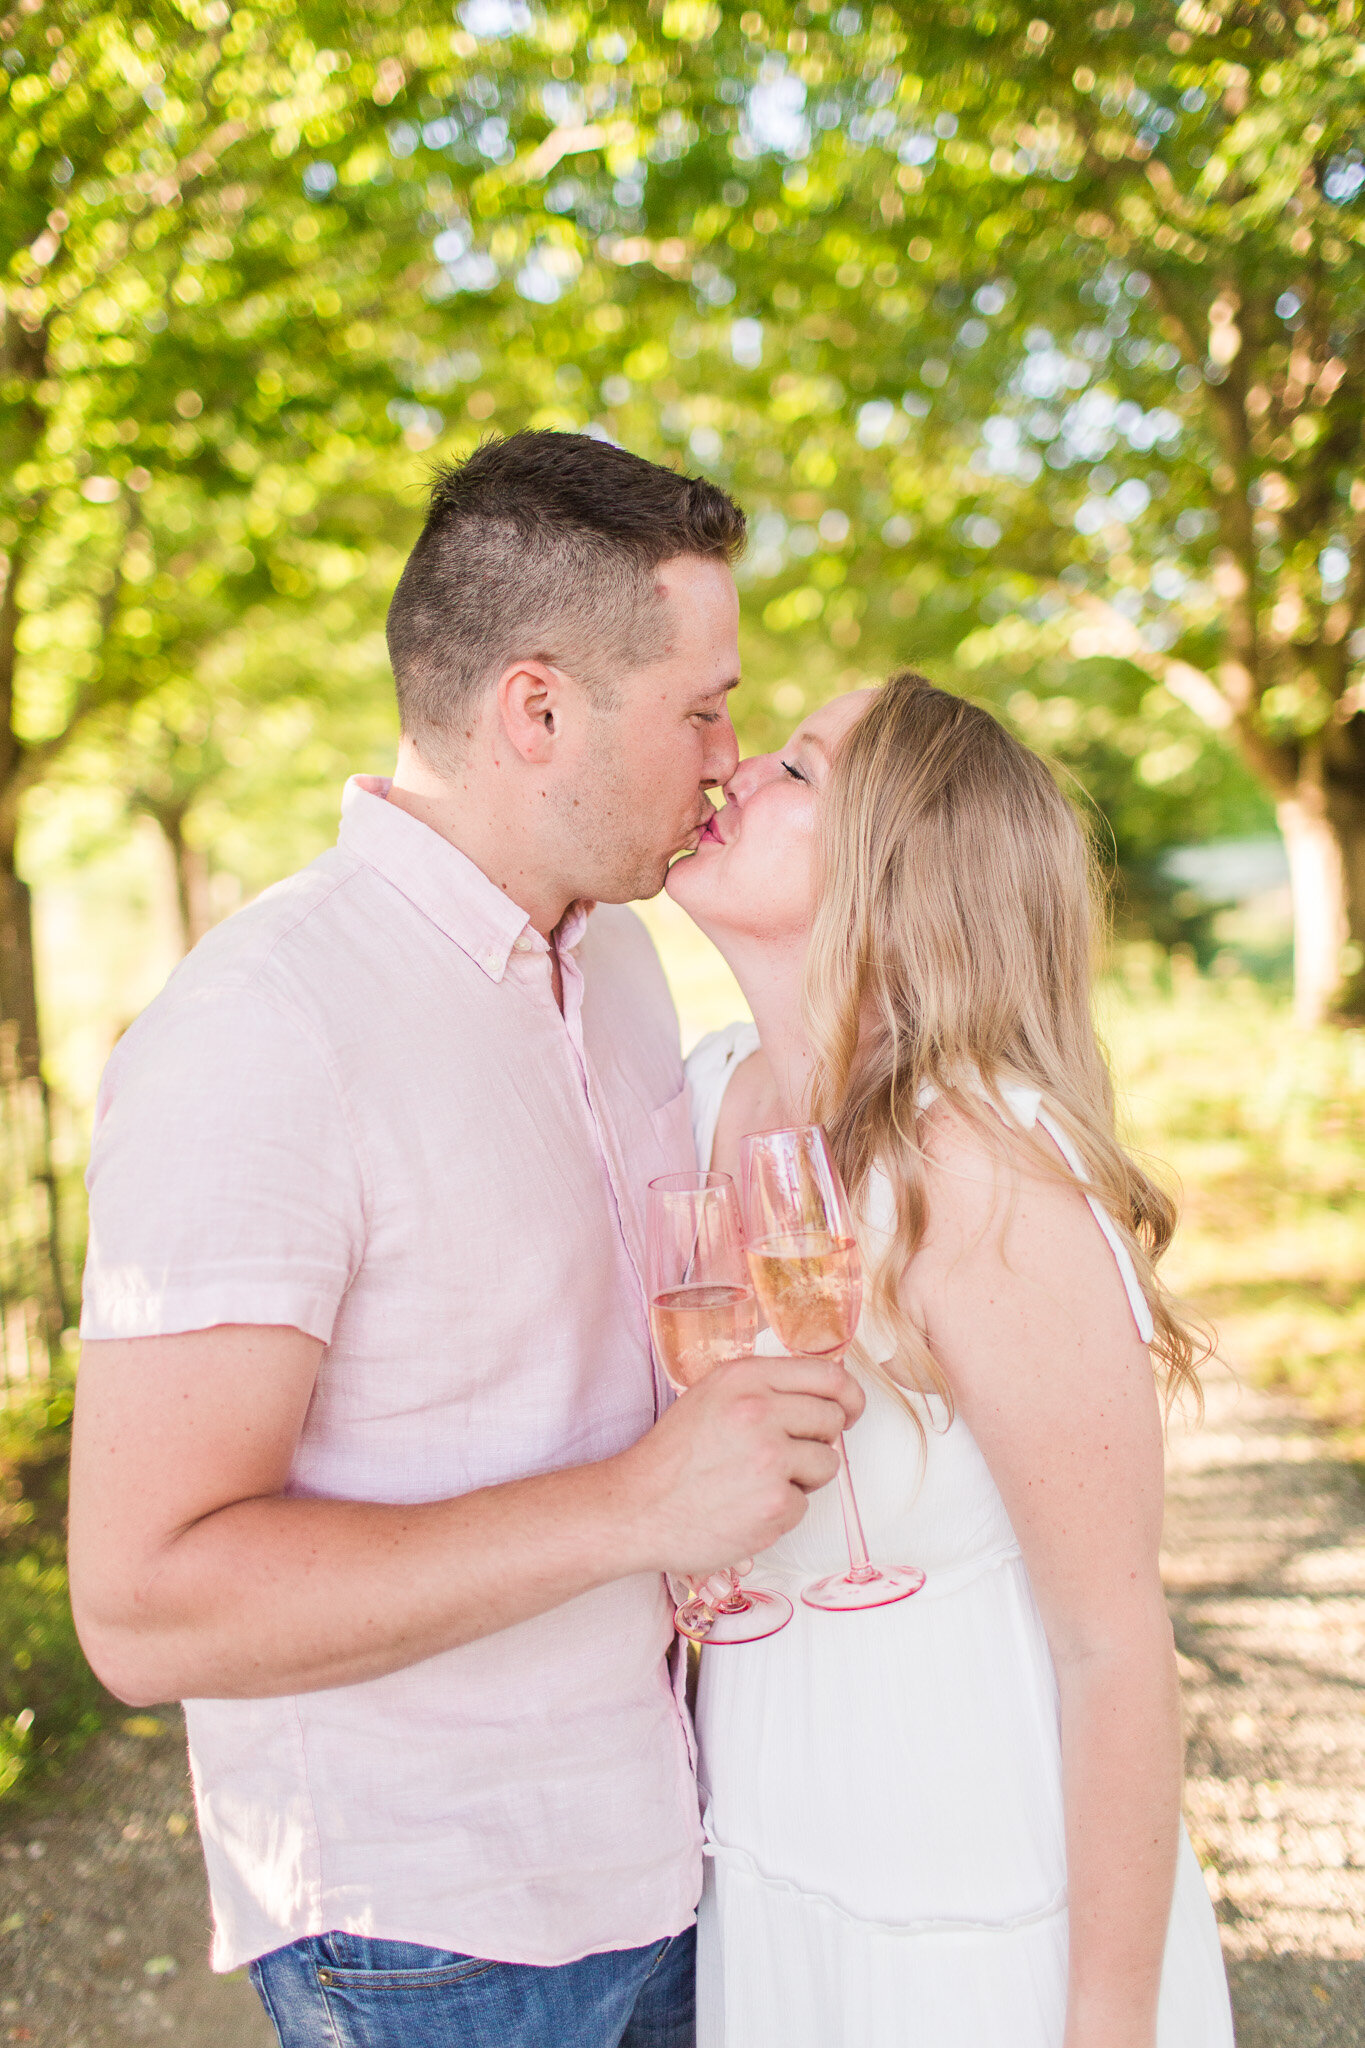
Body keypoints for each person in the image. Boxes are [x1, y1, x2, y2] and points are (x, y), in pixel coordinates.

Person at [66, 431, 863, 2048]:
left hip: (673, 1848)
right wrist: (637, 1505)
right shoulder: (260, 1031)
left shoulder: (623, 961)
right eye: (701, 709)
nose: (724, 759)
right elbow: (143, 1609)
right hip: (438, 1938)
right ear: (539, 709)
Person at [666, 672, 1236, 2048]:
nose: (733, 770)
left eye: (797, 772)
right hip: (762, 1865)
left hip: (975, 1901)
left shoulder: (974, 1163)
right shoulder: (703, 1087)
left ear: (898, 877)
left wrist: (1105, 2023)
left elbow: (1113, 1643)